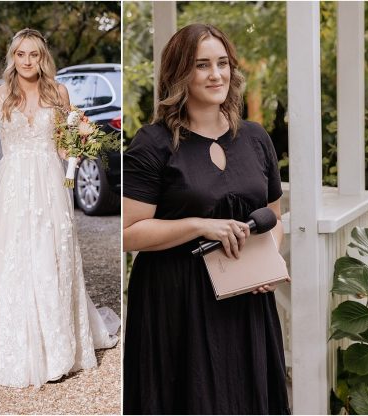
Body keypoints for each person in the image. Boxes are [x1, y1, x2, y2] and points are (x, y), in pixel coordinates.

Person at [122, 23, 289, 414]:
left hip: (245, 297)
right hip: (176, 301)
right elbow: (128, 232)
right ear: (180, 73)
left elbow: (274, 216)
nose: (216, 74)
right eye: (202, 65)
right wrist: (200, 225)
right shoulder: (153, 142)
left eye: (223, 63)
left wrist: (267, 263)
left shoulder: (255, 137)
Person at [0, 28, 119, 388]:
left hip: (50, 183)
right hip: (13, 185)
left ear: (43, 58)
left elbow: (65, 148)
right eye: (21, 54)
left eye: (34, 54)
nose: (28, 61)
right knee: (14, 255)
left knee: (52, 256)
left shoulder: (59, 93)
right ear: (13, 57)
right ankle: (14, 343)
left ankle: (58, 348)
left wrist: (79, 144)